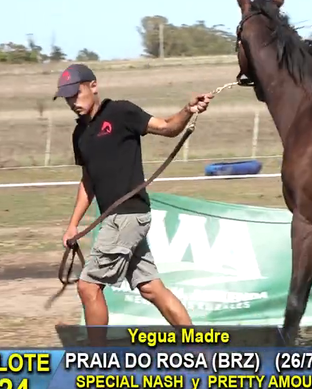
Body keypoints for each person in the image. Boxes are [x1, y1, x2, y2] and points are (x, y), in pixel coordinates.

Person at [54, 63, 213, 344]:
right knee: (151, 288)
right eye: (67, 98)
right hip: (121, 219)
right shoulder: (79, 135)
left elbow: (166, 127)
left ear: (93, 86)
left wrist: (188, 110)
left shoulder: (121, 112)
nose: (72, 102)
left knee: (88, 287)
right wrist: (72, 225)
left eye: (75, 94)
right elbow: (87, 181)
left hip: (127, 216)